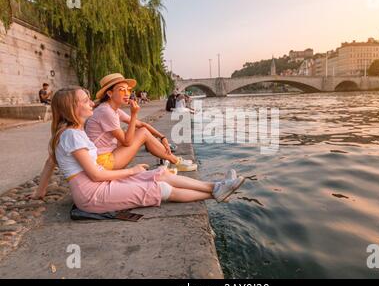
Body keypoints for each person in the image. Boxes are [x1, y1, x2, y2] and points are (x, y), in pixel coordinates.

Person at [31, 87, 245, 213]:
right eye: (85, 101)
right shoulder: (71, 135)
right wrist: (132, 171)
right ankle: (214, 194)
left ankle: (216, 186)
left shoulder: (68, 132)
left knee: (159, 173)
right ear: (71, 108)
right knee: (159, 188)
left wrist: (40, 193)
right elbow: (96, 175)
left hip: (100, 185)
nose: (91, 104)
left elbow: (50, 162)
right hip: (92, 195)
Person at [85, 73, 197, 172]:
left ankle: (174, 160)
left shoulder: (113, 109)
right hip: (102, 163)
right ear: (109, 93)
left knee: (138, 130)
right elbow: (127, 142)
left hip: (106, 156)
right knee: (140, 133)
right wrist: (134, 114)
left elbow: (142, 124)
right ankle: (176, 162)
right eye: (121, 90)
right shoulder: (106, 111)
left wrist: (162, 137)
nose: (127, 93)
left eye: (128, 89)